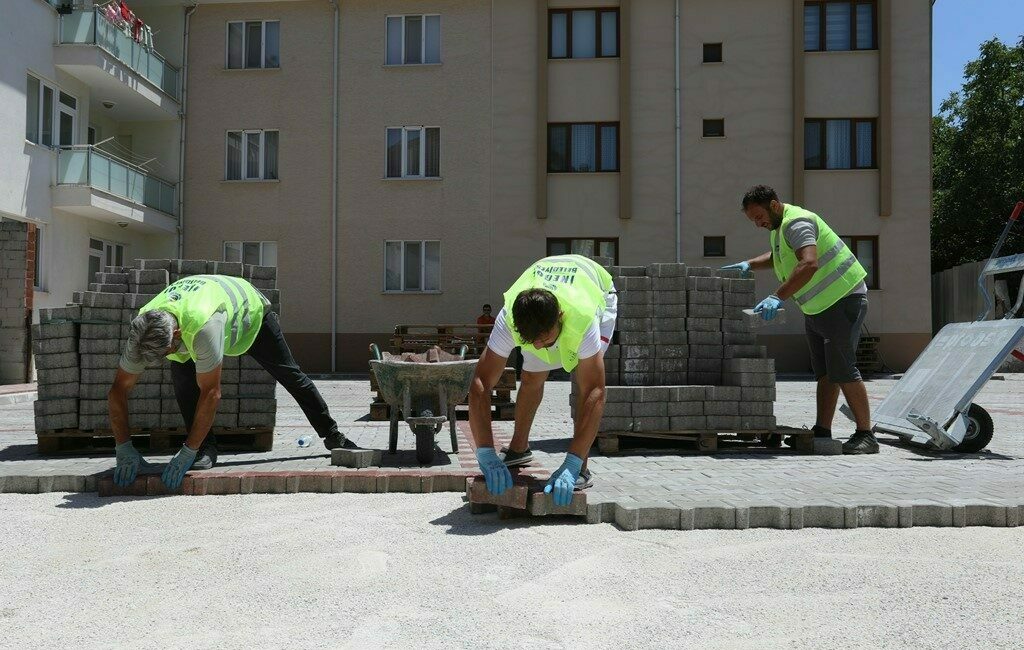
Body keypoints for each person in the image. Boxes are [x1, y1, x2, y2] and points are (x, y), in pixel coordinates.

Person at [108, 274, 358, 489]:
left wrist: (186, 450)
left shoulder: (204, 326)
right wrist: (123, 446)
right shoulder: (143, 329)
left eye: (165, 352)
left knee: (290, 375)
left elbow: (211, 393)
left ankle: (332, 434)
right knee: (183, 382)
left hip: (250, 314)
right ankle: (206, 449)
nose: (160, 359)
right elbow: (118, 389)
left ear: (176, 334)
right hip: (197, 310)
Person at [721, 184, 878, 454]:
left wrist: (777, 296)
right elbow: (779, 257)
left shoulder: (796, 222)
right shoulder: (779, 229)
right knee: (826, 373)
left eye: (759, 216)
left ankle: (866, 434)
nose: (758, 224)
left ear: (773, 204)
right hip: (818, 308)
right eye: (753, 220)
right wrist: (750, 264)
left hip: (842, 300)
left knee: (843, 369)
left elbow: (808, 263)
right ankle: (822, 430)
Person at [469, 254, 617, 505]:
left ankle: (579, 467)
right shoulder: (511, 319)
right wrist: (484, 451)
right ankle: (518, 449)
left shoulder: (583, 320)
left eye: (544, 338)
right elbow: (480, 383)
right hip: (547, 290)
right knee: (531, 376)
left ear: (559, 316)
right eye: (530, 340)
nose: (537, 345)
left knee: (583, 384)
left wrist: (571, 462)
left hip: (597, 288)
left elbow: (595, 391)